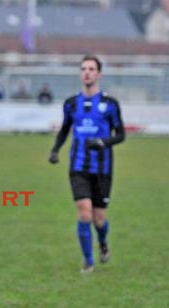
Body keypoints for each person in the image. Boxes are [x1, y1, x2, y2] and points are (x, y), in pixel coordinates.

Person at [48, 55, 126, 273]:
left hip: (103, 169)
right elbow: (64, 130)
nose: (87, 72)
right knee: (84, 213)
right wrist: (55, 150)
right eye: (84, 68)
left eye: (92, 69)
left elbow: (120, 135)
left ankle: (102, 243)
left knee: (99, 218)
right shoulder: (72, 104)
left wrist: (103, 142)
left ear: (99, 74)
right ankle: (88, 261)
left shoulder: (110, 104)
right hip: (78, 167)